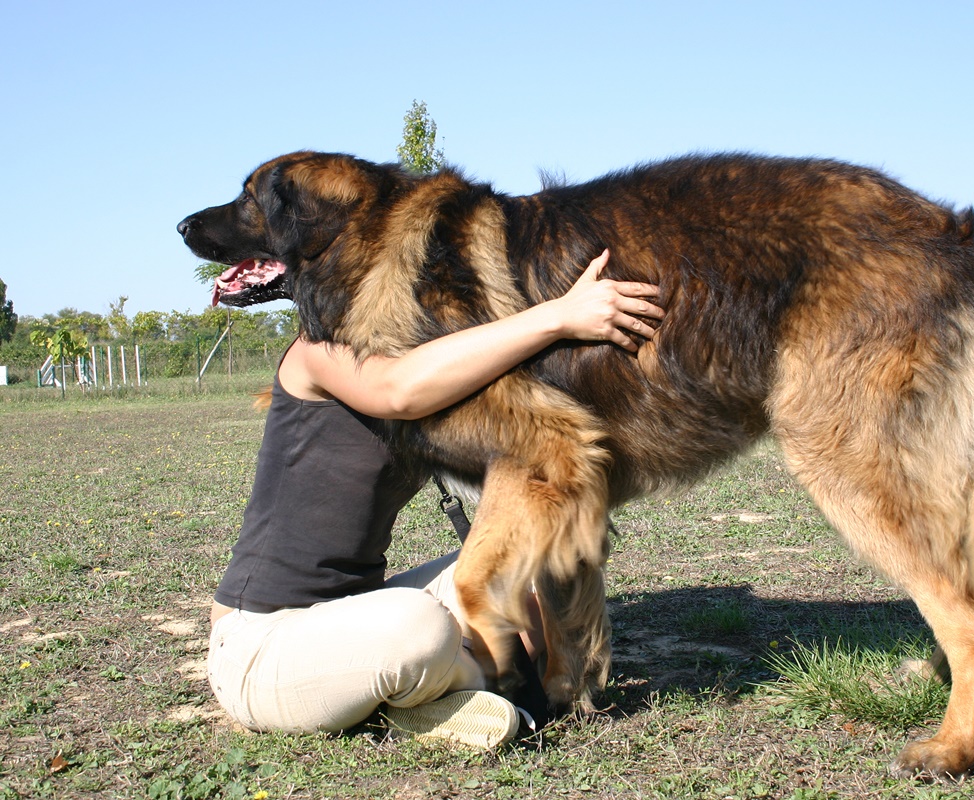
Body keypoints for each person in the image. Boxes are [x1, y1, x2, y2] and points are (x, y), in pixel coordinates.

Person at [206, 250, 663, 749]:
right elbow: (399, 391)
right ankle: (444, 686)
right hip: (260, 644)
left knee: (528, 567)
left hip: (351, 614)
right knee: (419, 629)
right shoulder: (319, 346)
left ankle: (442, 684)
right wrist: (558, 316)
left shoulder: (417, 352)